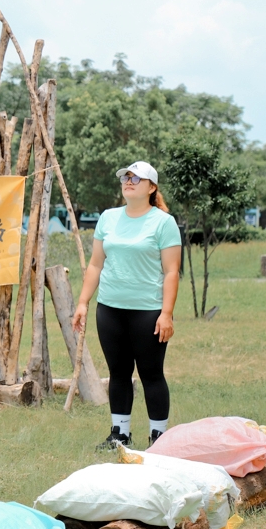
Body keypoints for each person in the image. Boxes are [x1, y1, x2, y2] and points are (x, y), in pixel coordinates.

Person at [72, 161, 182, 449]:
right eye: (126, 177)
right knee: (119, 373)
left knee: (151, 374)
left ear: (152, 187)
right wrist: (83, 302)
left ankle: (159, 438)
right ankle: (119, 434)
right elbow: (96, 264)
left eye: (136, 178)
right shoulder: (108, 218)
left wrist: (166, 314)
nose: (129, 181)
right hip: (109, 310)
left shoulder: (163, 223)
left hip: (148, 312)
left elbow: (172, 271)